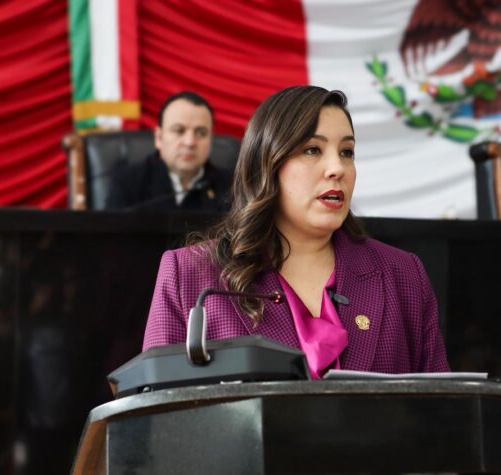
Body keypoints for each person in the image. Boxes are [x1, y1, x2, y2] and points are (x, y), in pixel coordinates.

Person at [143, 86, 449, 377]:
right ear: (267, 164)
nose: (337, 168)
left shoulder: (402, 275)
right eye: (313, 149)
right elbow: (157, 406)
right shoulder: (190, 274)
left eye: (347, 152)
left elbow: (443, 405)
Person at [105, 91, 232, 211]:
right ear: (159, 138)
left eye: (201, 133)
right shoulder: (127, 182)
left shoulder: (232, 187)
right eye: (179, 130)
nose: (189, 142)